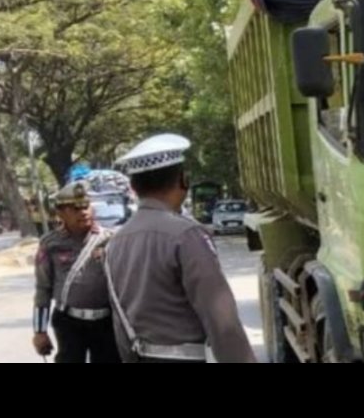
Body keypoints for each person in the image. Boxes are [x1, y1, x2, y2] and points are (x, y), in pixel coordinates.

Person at [104, 133, 256, 363]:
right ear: (183, 180)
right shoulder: (185, 235)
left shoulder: (117, 240)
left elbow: (119, 316)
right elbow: (220, 318)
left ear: (134, 186)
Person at [32, 181, 121, 363]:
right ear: (61, 213)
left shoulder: (109, 240)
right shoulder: (50, 244)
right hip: (69, 322)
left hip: (105, 322)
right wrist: (40, 332)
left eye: (86, 206)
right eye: (75, 208)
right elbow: (43, 289)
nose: (84, 212)